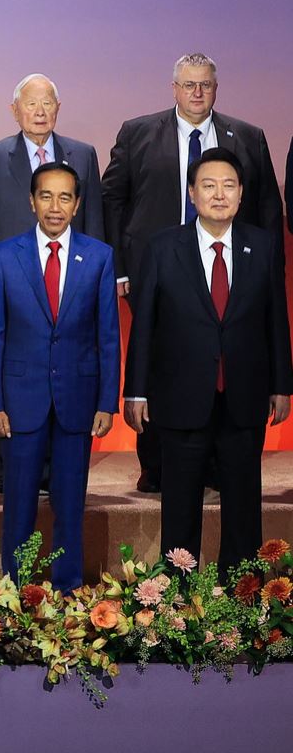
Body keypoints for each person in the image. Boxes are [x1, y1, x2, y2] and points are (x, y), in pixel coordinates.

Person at [102, 53, 283, 493]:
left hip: (228, 274)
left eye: (205, 84)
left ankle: (219, 464)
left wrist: (265, 271)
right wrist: (120, 267)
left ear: (215, 89)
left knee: (222, 359)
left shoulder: (248, 136)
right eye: (188, 85)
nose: (197, 92)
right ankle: (158, 465)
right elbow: (112, 200)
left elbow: (266, 210)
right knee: (163, 360)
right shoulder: (138, 132)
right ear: (174, 89)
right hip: (156, 271)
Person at [123, 149, 292, 572]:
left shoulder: (262, 245)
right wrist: (136, 390)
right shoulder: (163, 247)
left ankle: (241, 598)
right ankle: (178, 605)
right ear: (192, 194)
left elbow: (276, 319)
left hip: (244, 397)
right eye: (209, 185)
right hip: (181, 399)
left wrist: (282, 385)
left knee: (243, 510)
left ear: (241, 194)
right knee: (180, 509)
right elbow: (145, 325)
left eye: (229, 185)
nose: (220, 194)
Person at [0, 163, 119, 589]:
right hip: (20, 400)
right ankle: (15, 592)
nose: (55, 207)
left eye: (64, 197)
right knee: (18, 505)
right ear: (31, 201)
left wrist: (106, 401)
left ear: (77, 205)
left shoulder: (98, 256)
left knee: (70, 504)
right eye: (46, 196)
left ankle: (67, 589)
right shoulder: (4, 256)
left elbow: (107, 335)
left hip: (77, 399)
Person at [0, 73, 104, 493]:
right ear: (15, 110)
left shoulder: (83, 154)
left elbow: (95, 221)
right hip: (12, 282)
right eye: (31, 103)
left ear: (58, 109)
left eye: (48, 103)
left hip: (70, 280)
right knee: (11, 364)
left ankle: (56, 468)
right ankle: (8, 468)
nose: (40, 110)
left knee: (63, 364)